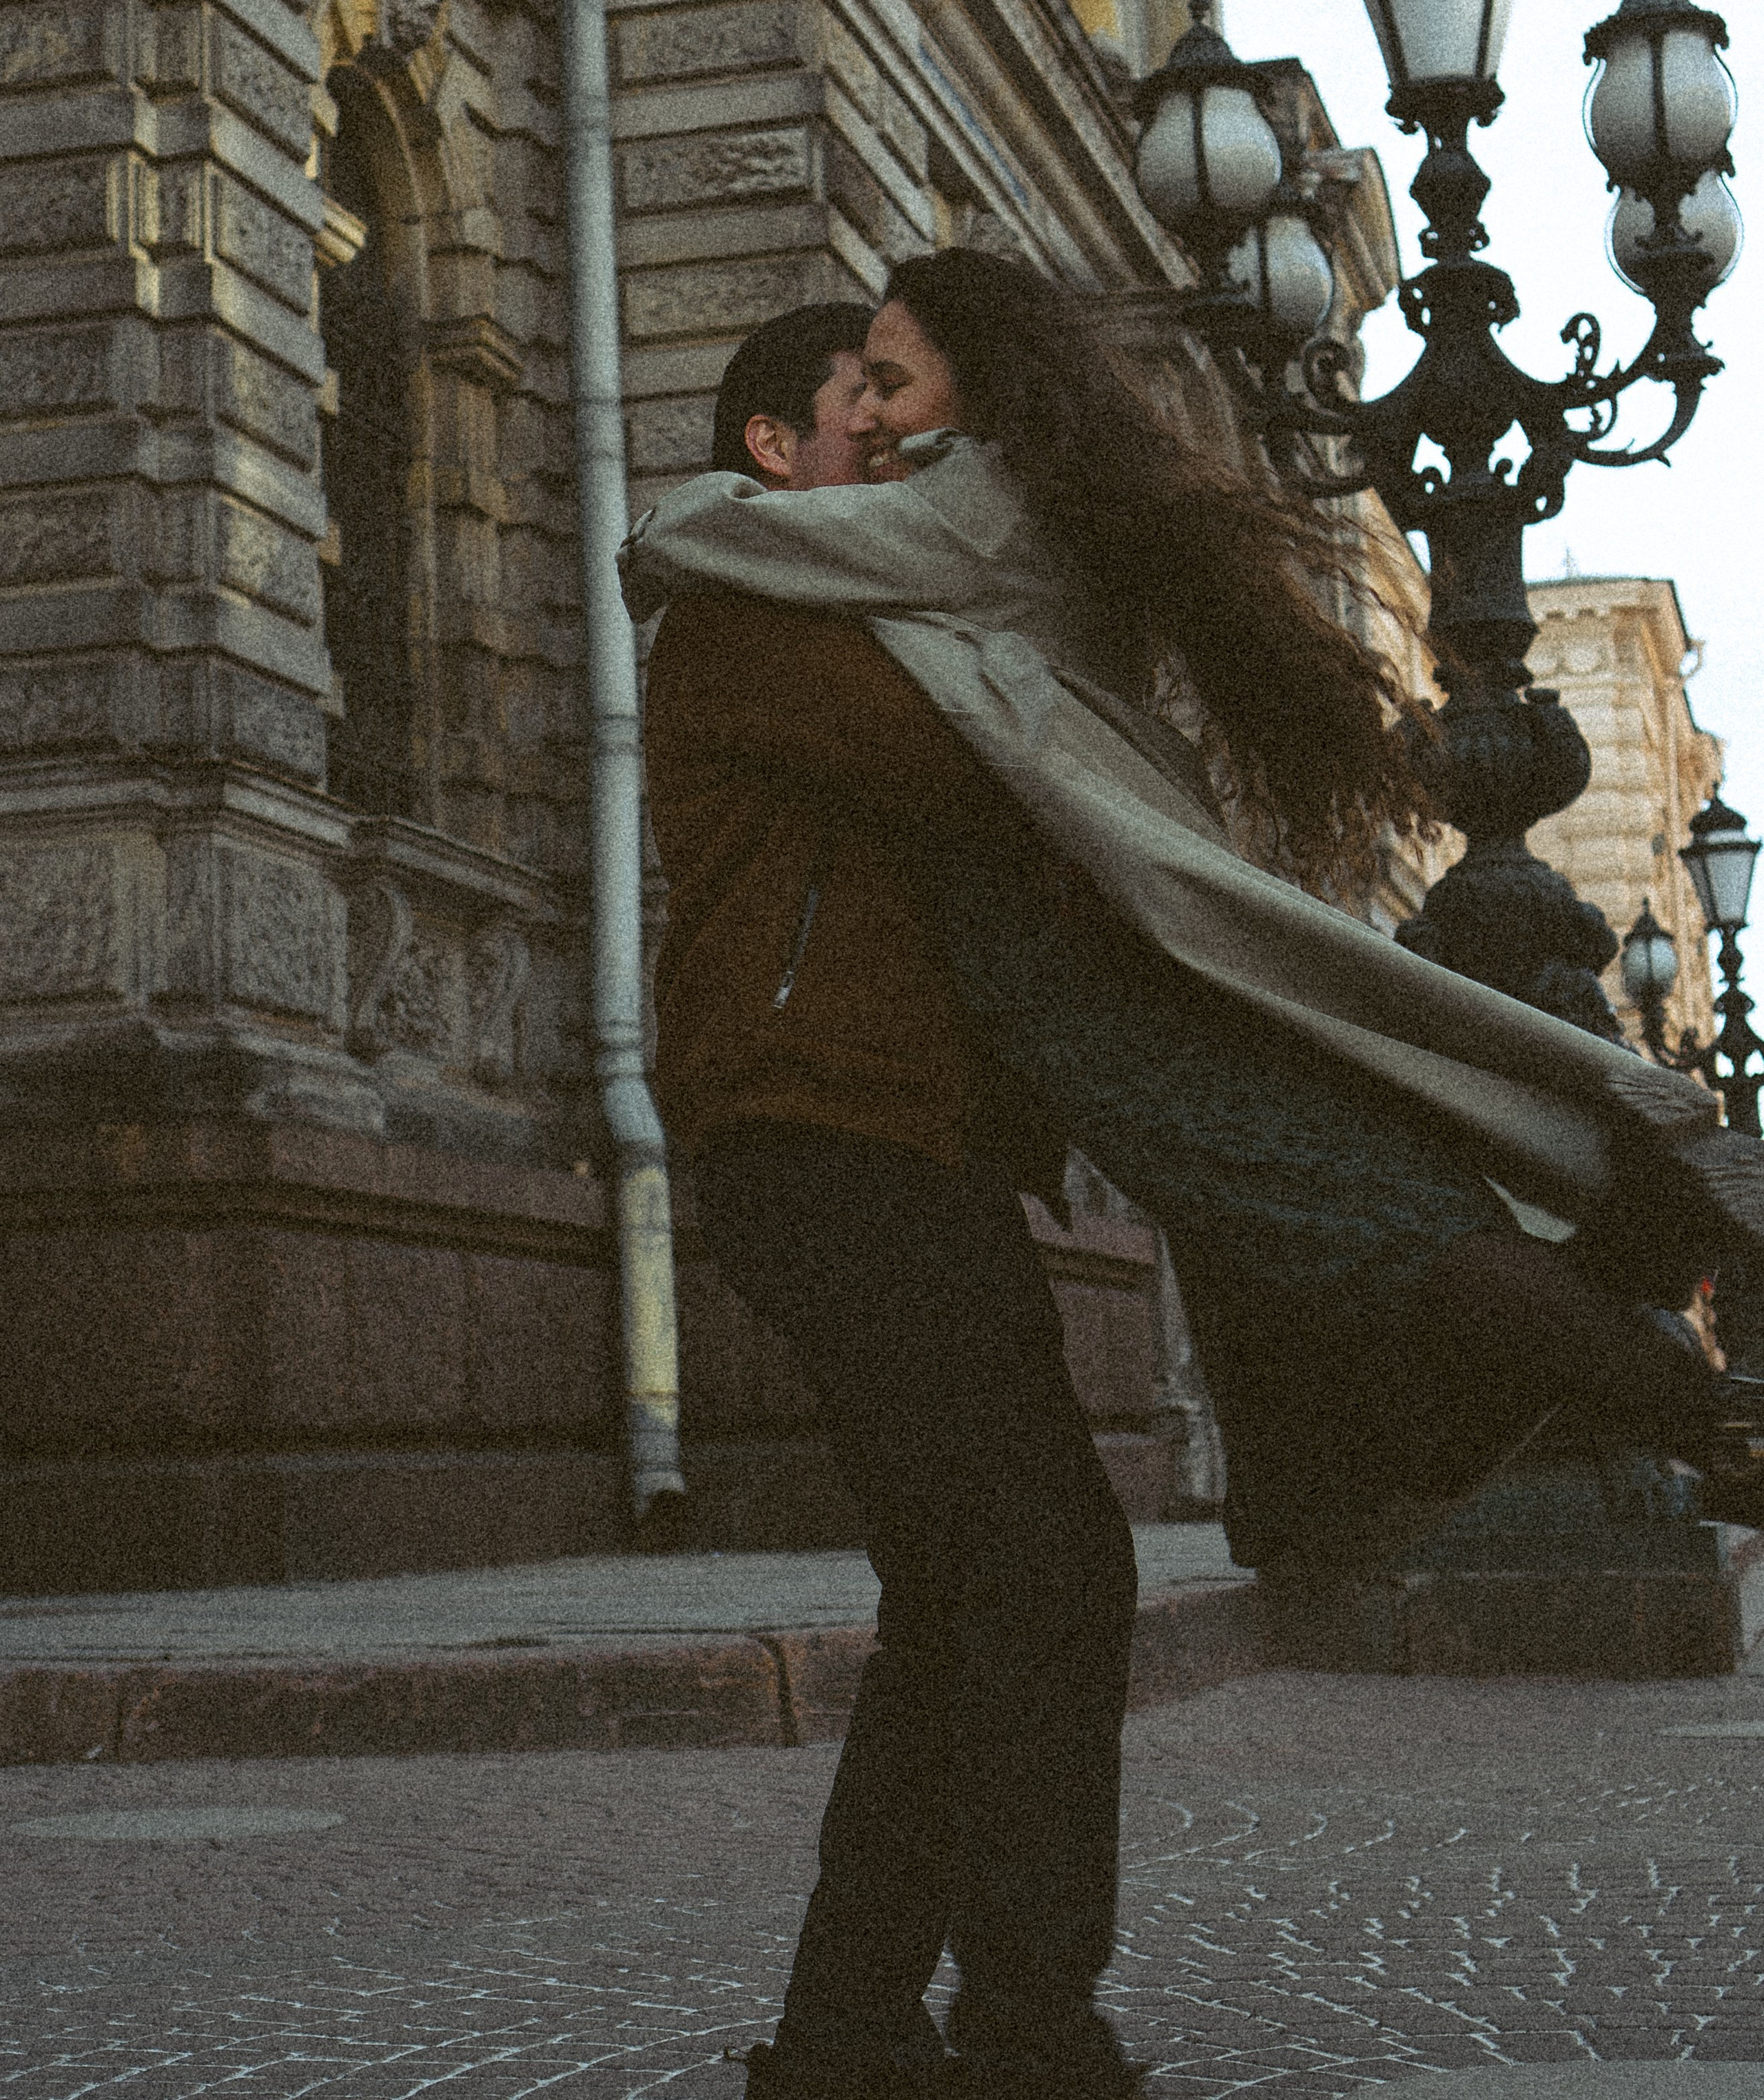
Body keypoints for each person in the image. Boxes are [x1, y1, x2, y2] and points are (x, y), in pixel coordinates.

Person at [624, 250, 1764, 1575]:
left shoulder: (963, 511)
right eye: (856, 391)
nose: (874, 415)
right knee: (1292, 1206)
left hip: (1097, 968)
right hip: (1081, 971)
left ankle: (1697, 1410)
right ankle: (1348, 1480)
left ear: (975, 392)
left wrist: (670, 517)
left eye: (891, 380)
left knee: (1350, 1205)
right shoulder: (971, 523)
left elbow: (732, 553)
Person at [643, 301, 1145, 2100]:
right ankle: (1022, 2029)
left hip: (893, 1144)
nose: (889, 419)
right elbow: (973, 772)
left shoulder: (856, 610)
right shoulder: (758, 610)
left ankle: (853, 2036)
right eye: (860, 392)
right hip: (819, 1131)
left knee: (971, 1584)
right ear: (776, 450)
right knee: (1041, 1560)